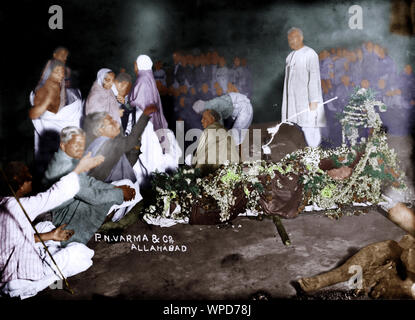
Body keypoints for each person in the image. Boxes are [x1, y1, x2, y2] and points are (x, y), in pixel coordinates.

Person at [0, 155, 103, 299]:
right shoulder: (18, 206)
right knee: (83, 254)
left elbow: (14, 239)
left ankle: (51, 254)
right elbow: (57, 194)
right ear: (21, 184)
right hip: (22, 283)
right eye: (28, 176)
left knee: (44, 226)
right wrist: (79, 168)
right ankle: (50, 275)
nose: (31, 177)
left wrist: (51, 236)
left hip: (6, 275)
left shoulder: (3, 203)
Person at [42, 126, 137, 242]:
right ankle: (111, 221)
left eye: (82, 145)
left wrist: (114, 188)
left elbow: (88, 182)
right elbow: (92, 196)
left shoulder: (68, 159)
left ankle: (114, 217)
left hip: (70, 202)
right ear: (63, 145)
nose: (80, 149)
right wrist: (120, 194)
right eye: (76, 145)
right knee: (102, 201)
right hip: (53, 216)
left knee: (123, 185)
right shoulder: (61, 167)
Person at [29, 60, 83, 182]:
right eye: (57, 72)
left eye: (63, 72)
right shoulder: (43, 94)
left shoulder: (70, 92)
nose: (62, 75)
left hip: (66, 146)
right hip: (59, 147)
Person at [281, 27, 326, 147]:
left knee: (312, 127)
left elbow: (314, 78)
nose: (291, 41)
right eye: (289, 39)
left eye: (293, 38)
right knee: (303, 126)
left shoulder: (310, 54)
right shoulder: (290, 56)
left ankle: (315, 154)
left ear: (301, 38)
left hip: (308, 100)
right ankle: (311, 153)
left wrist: (313, 100)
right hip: (295, 100)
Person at [192, 109, 239, 175]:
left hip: (211, 173)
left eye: (204, 118)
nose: (202, 121)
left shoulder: (208, 131)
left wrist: (192, 165)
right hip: (230, 171)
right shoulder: (226, 131)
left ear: (212, 118)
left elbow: (199, 154)